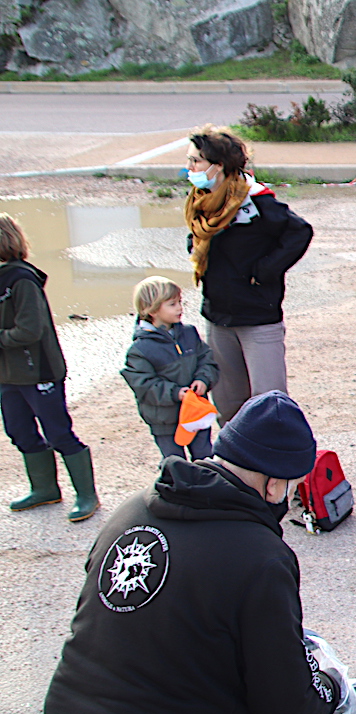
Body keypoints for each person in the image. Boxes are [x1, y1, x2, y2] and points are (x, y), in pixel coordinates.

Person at [36, 390, 345, 714]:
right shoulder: (259, 556)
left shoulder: (130, 513)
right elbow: (289, 704)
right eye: (290, 489)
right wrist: (331, 685)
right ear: (274, 484)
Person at [184, 125, 312, 423]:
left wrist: (264, 271)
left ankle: (278, 469)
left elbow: (299, 233)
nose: (189, 168)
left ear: (219, 166)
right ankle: (237, 468)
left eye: (196, 161)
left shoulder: (257, 201)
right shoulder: (201, 199)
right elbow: (198, 237)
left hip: (257, 316)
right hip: (218, 315)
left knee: (270, 407)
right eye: (189, 160)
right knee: (228, 406)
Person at [0, 214, 97, 523]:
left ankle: (87, 495)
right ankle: (45, 488)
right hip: (8, 375)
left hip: (38, 372)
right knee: (18, 430)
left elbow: (29, 330)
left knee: (58, 431)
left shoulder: (22, 280)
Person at [121, 276, 220, 461]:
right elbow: (144, 385)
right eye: (172, 304)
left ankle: (208, 489)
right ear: (151, 310)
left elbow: (207, 360)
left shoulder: (189, 334)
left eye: (180, 302)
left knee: (205, 458)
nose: (180, 308)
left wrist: (203, 380)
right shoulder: (140, 350)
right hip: (164, 420)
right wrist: (176, 393)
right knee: (175, 464)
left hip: (195, 413)